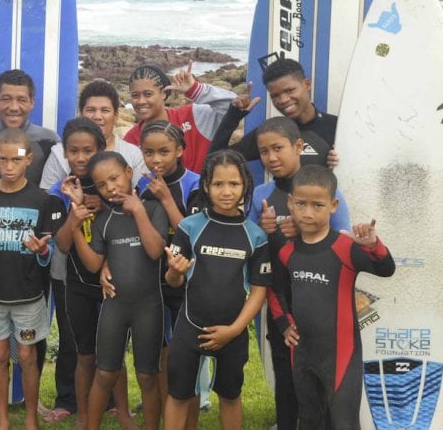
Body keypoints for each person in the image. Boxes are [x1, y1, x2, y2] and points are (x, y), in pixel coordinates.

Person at [267, 165, 395, 428]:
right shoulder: (287, 251)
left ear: (333, 205)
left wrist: (373, 246)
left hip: (341, 357)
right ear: (290, 203)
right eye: (301, 203)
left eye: (318, 205)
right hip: (302, 355)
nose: (308, 212)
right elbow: (275, 290)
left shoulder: (345, 248)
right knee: (311, 421)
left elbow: (386, 269)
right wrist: (284, 324)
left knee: (343, 423)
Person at [248, 117, 352, 430]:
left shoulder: (321, 189)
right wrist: (261, 230)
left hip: (320, 302)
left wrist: (306, 230)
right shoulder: (261, 195)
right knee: (286, 377)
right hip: (280, 302)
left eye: (277, 148)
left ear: (297, 146)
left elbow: (342, 243)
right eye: (264, 151)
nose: (271, 157)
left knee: (326, 380)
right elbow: (248, 245)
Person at [163, 150, 272, 430]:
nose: (226, 191)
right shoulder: (189, 227)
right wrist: (175, 271)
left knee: (230, 395)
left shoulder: (256, 235)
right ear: (206, 187)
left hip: (232, 331)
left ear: (245, 185)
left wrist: (234, 330)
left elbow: (259, 291)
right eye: (218, 184)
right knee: (178, 394)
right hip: (190, 325)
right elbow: (173, 281)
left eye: (233, 184)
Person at [68, 152, 167, 430]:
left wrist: (137, 210)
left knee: (148, 375)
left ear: (128, 172)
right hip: (115, 305)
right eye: (101, 184)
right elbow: (93, 264)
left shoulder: (153, 209)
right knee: (105, 372)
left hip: (148, 306)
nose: (110, 187)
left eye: (114, 178)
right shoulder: (104, 219)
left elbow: (155, 250)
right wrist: (76, 229)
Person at [0, 128, 59, 430]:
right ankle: (3, 420)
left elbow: (47, 252)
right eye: (3, 159)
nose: (9, 166)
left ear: (29, 160)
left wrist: (41, 251)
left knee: (26, 355)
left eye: (16, 160)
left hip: (29, 295)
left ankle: (31, 420)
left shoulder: (42, 199)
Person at [51, 118, 134, 429]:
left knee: (114, 355)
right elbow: (60, 243)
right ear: (64, 153)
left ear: (101, 148)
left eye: (88, 150)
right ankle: (85, 416)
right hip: (78, 285)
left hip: (111, 284)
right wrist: (74, 216)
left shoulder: (112, 187)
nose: (81, 157)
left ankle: (123, 414)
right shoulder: (59, 191)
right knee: (85, 355)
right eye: (74, 151)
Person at [132, 120, 205, 421]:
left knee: (186, 360)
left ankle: (190, 422)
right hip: (155, 281)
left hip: (189, 281)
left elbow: (194, 235)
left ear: (180, 151)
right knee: (163, 356)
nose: (156, 159)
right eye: (149, 152)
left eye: (164, 151)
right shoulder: (142, 185)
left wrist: (164, 197)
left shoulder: (195, 184)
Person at [209, 58, 340, 169]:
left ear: (307, 84)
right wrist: (233, 115)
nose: (283, 100)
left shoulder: (337, 127)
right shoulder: (271, 133)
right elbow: (214, 161)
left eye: (290, 90)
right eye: (275, 95)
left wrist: (340, 164)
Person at [122, 63, 237, 174]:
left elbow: (236, 105)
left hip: (202, 191)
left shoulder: (193, 116)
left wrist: (195, 89)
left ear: (164, 93)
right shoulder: (131, 140)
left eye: (148, 94)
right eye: (135, 95)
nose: (141, 101)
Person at [40, 80, 145, 191]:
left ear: (116, 115)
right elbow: (47, 196)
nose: (97, 116)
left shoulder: (133, 155)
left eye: (105, 110)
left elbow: (142, 197)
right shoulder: (59, 153)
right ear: (80, 113)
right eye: (91, 110)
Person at [0, 69, 61, 189]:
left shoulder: (49, 140)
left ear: (32, 103)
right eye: (6, 99)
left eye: (21, 100)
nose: (14, 107)